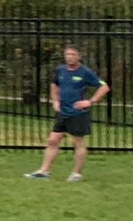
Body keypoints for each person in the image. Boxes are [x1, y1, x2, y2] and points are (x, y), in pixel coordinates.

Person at [27, 45, 109, 182]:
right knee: (52, 140)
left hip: (78, 113)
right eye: (67, 54)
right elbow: (54, 84)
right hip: (63, 112)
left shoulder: (85, 72)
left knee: (78, 142)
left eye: (73, 54)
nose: (70, 57)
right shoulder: (61, 70)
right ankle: (44, 171)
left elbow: (104, 87)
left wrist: (90, 101)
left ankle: (76, 174)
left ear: (79, 56)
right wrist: (55, 100)